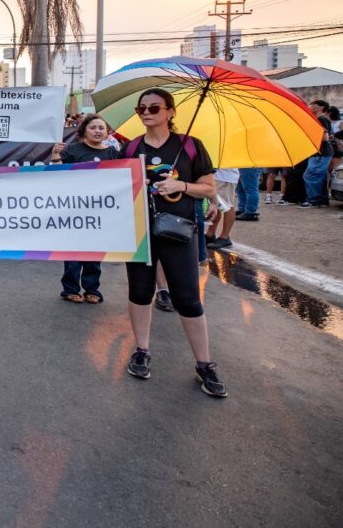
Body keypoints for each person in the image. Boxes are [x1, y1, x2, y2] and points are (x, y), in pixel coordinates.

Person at [123, 88, 226, 398]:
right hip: (139, 232)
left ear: (170, 112)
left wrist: (180, 184)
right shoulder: (129, 149)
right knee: (140, 293)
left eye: (154, 107)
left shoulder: (191, 147)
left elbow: (209, 190)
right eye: (141, 108)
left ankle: (204, 364)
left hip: (179, 232)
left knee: (188, 299)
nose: (147, 112)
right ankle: (142, 350)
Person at [50, 114, 121, 303]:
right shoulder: (72, 150)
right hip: (75, 210)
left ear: (107, 133)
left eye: (101, 128)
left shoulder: (114, 153)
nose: (97, 131)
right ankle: (70, 289)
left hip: (101, 212)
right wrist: (56, 156)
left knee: (94, 252)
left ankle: (92, 289)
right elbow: (57, 176)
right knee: (73, 251)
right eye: (93, 127)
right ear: (84, 131)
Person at [301, 99, 333, 208]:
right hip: (321, 153)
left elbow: (325, 137)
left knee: (310, 176)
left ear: (321, 108)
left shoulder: (321, 118)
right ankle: (322, 200)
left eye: (314, 105)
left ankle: (314, 200)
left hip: (321, 153)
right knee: (321, 177)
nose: (311, 106)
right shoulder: (320, 118)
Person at [205, 168, 240, 249]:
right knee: (215, 204)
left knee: (227, 205)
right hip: (218, 176)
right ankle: (210, 234)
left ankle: (224, 237)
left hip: (225, 177)